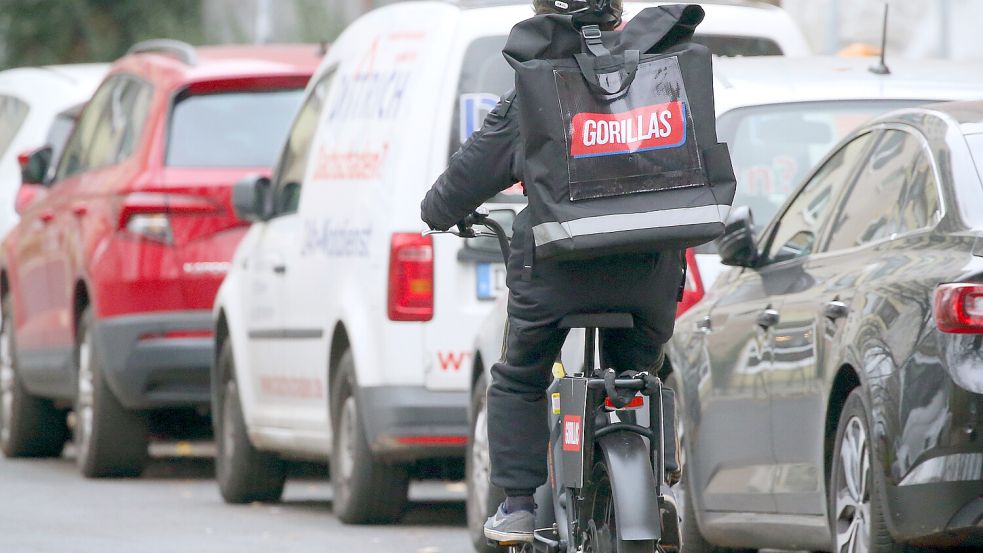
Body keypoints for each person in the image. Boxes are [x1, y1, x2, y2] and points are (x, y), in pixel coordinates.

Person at [420, 0, 683, 543]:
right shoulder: (659, 71)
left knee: (521, 374)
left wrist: (438, 213)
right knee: (641, 373)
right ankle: (656, 480)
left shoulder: (536, 89)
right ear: (616, 11)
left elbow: (465, 181)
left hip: (558, 270)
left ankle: (517, 504)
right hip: (649, 270)